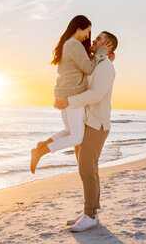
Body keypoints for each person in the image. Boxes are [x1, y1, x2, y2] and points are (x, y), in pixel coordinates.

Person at [30, 15, 113, 174]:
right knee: (77, 137)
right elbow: (88, 68)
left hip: (65, 94)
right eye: (87, 32)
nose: (88, 37)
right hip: (72, 96)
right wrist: (101, 53)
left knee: (70, 131)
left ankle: (43, 145)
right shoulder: (74, 45)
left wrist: (107, 56)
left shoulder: (69, 44)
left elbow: (82, 65)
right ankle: (40, 152)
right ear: (78, 28)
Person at [54, 30, 118, 232]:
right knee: (88, 170)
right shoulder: (93, 62)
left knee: (87, 170)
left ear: (107, 47)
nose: (94, 40)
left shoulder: (106, 67)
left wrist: (69, 101)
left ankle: (90, 215)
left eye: (100, 39)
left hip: (96, 124)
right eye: (96, 37)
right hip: (83, 122)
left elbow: (96, 94)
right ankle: (91, 212)